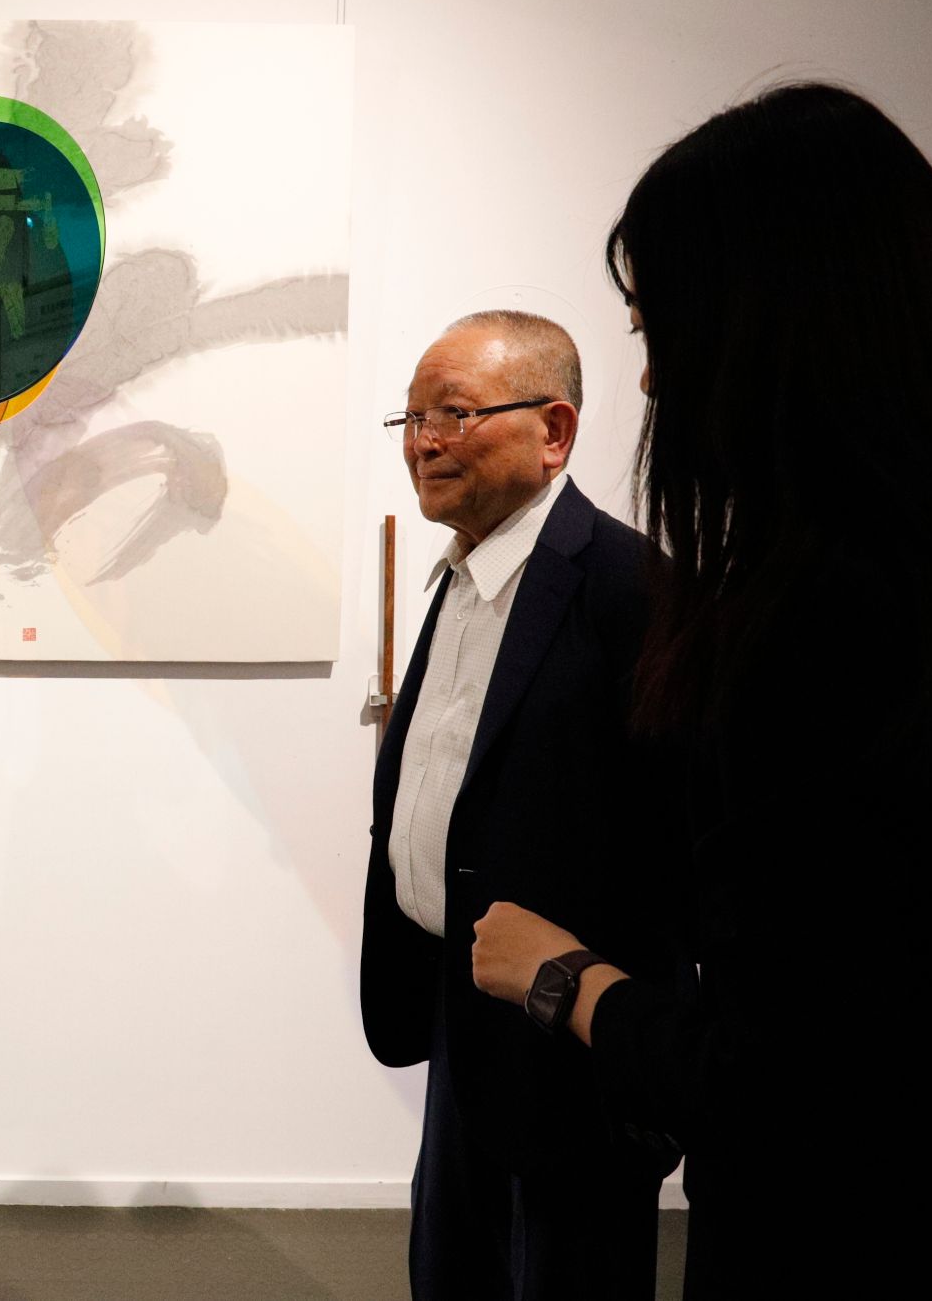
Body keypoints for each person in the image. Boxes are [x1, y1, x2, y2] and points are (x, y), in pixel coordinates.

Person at [471, 83, 932, 1294]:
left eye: (659, 329)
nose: (653, 383)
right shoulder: (918, 579)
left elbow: (796, 1077)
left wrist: (570, 982)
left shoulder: (814, 630)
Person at [363, 311, 682, 1299]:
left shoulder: (630, 592)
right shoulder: (458, 579)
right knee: (451, 1273)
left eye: (454, 414)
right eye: (412, 418)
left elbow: (673, 841)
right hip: (457, 1018)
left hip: (567, 1053)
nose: (424, 442)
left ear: (553, 431)